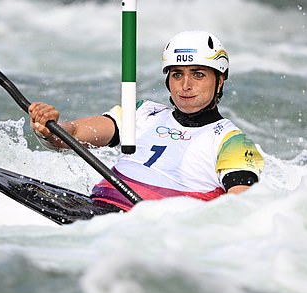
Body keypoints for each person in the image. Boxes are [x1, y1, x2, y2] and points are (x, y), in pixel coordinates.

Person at [28, 30, 264, 210]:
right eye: (177, 74)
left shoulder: (232, 141)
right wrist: (50, 129)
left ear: (220, 80)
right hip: (98, 209)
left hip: (152, 232)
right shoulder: (142, 112)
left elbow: (240, 210)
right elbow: (75, 134)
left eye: (198, 74)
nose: (185, 85)